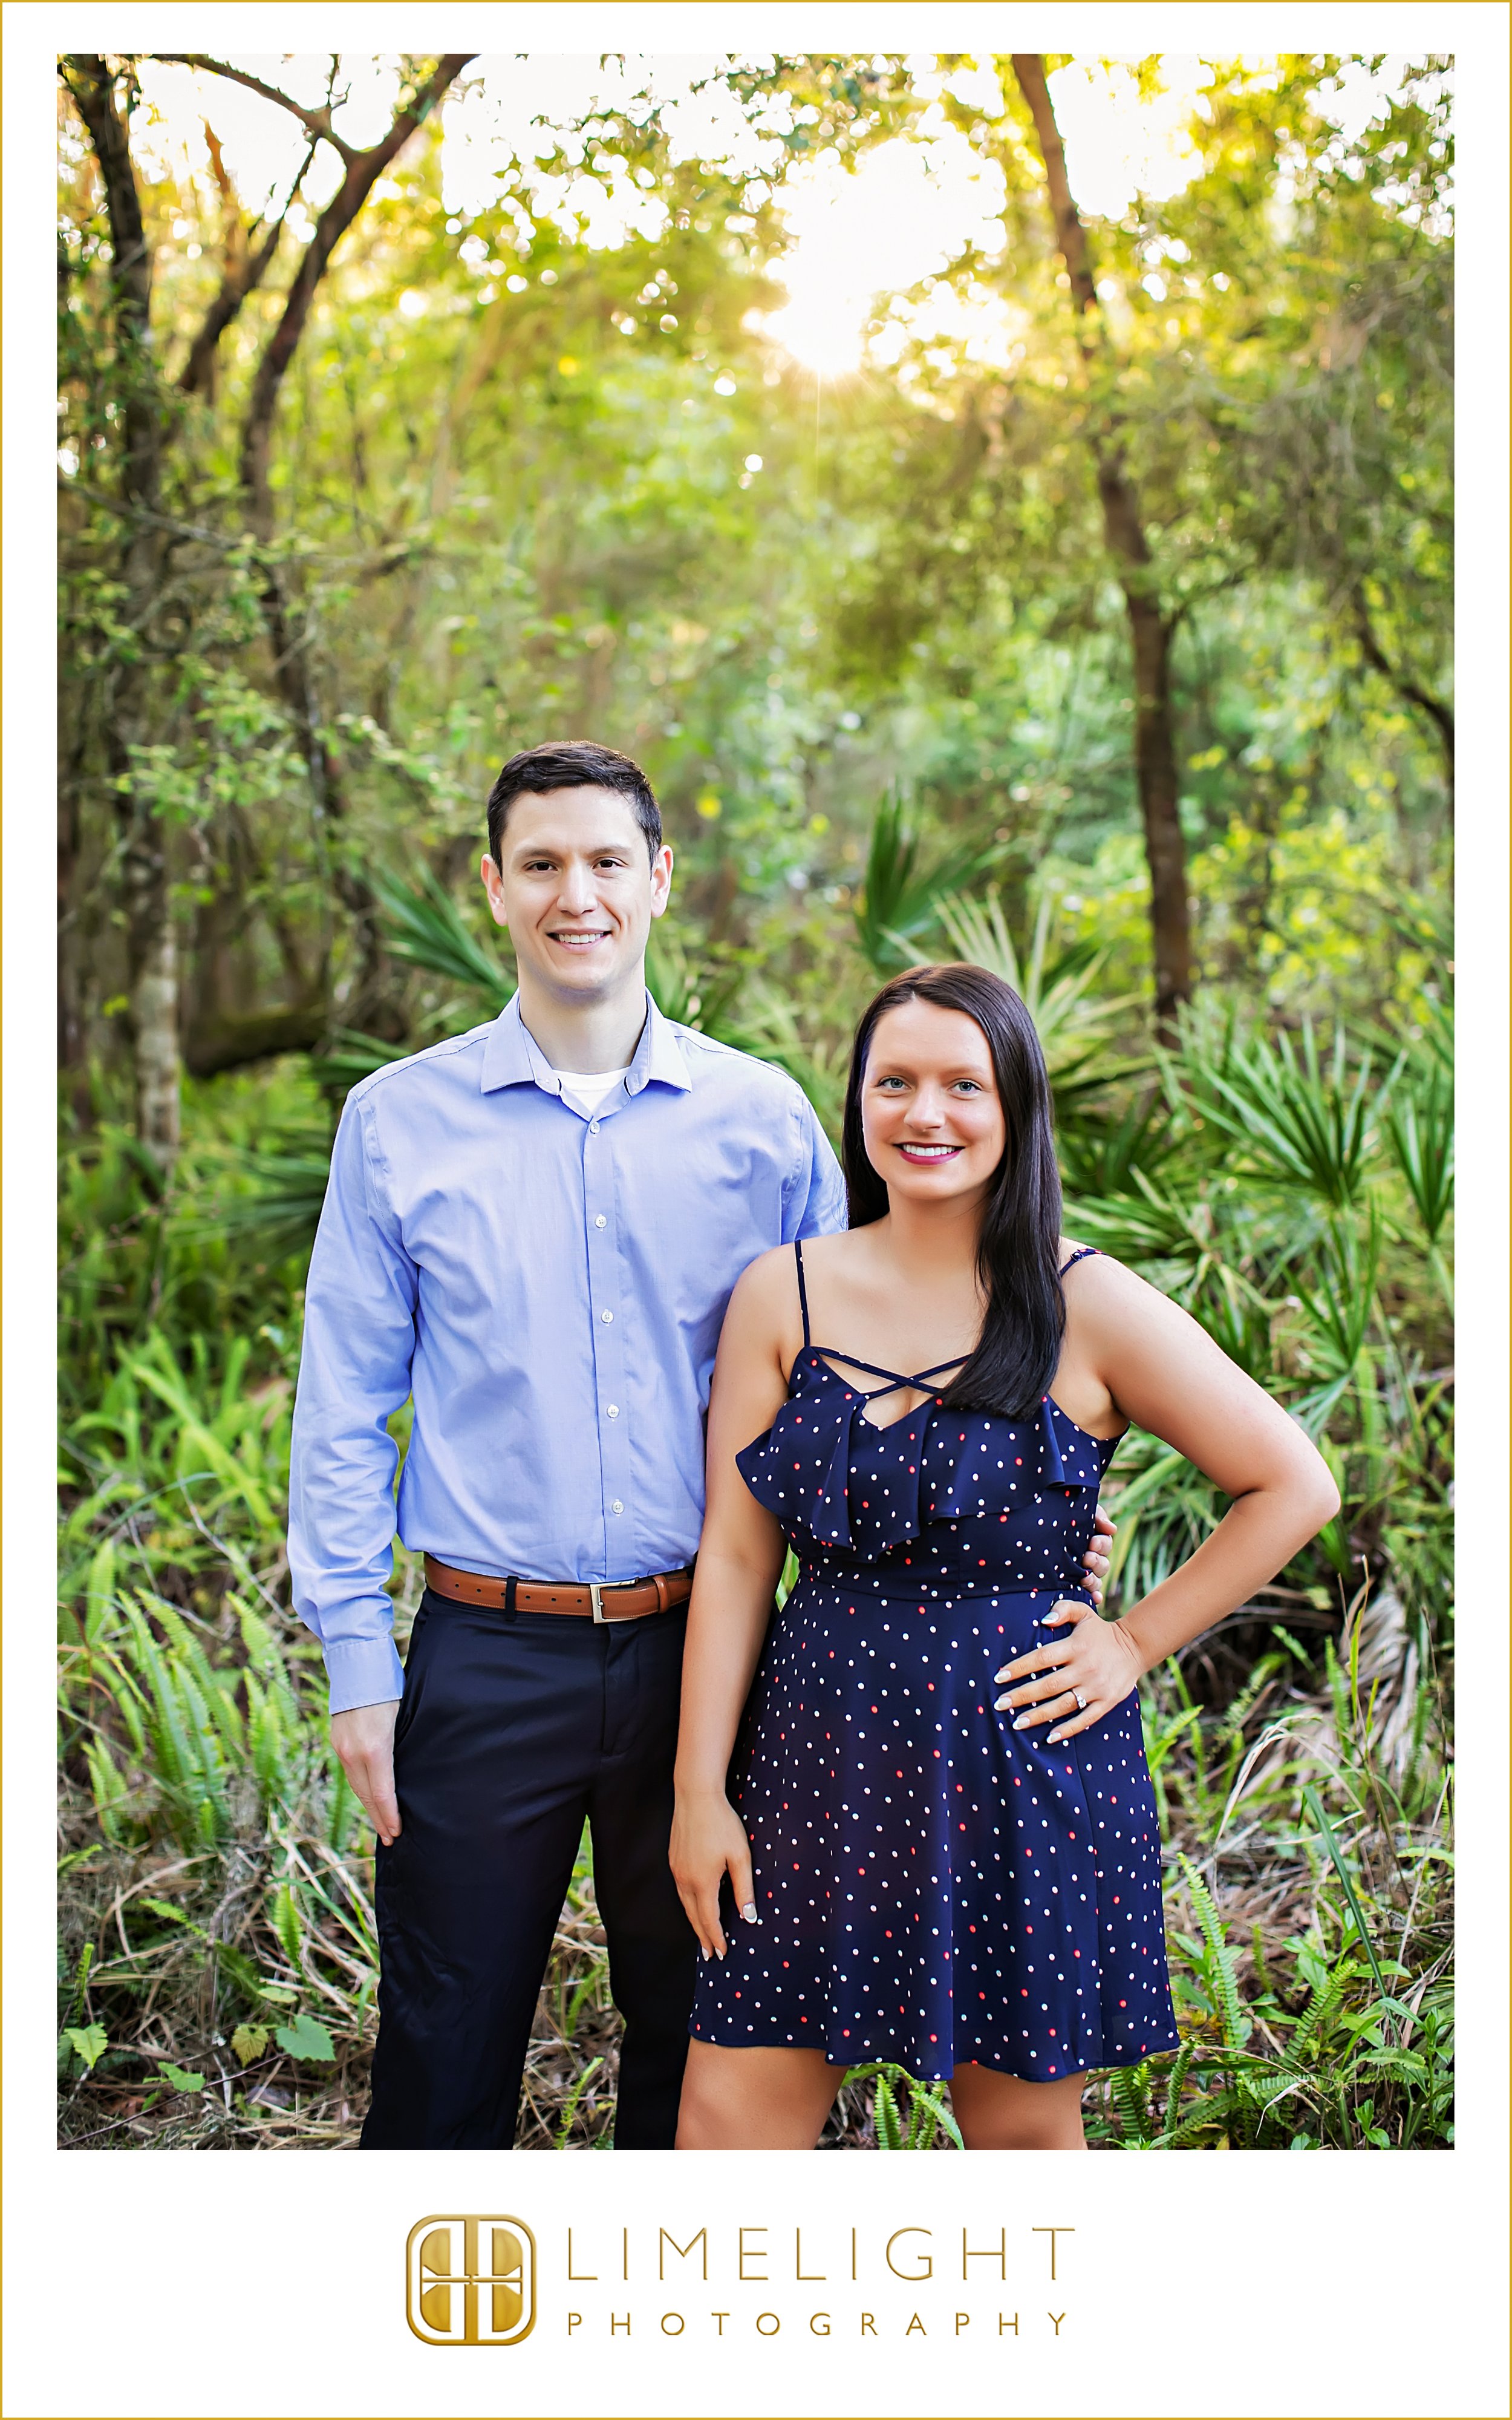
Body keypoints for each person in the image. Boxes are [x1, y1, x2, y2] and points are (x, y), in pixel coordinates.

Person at [288, 742, 1118, 2150]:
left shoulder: (764, 1121)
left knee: (706, 2032)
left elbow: (886, 1341)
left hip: (720, 1651)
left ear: (658, 880)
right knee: (442, 2035)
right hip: (486, 1652)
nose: (576, 894)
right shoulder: (396, 1124)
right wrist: (360, 1667)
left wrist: (1028, 1522)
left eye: (607, 860)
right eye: (541, 864)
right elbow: (342, 1409)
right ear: (492, 888)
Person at [670, 961, 1341, 2151]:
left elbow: (1289, 1482)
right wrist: (698, 1791)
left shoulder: (1085, 1300)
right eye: (894, 1081)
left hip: (1018, 1762)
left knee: (1021, 2134)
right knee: (728, 2116)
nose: (923, 1113)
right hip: (817, 1754)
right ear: (858, 1100)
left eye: (959, 1084)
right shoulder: (783, 1293)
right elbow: (733, 1559)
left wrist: (1132, 1640)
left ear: (1013, 1104)